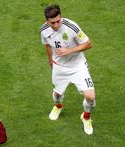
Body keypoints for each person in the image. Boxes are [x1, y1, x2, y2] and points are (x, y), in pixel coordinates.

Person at [40, 4, 96, 135]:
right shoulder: (43, 30)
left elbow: (89, 44)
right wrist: (50, 62)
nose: (56, 25)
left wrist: (69, 50)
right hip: (59, 67)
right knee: (57, 94)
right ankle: (58, 106)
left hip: (78, 66)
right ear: (47, 21)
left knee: (90, 97)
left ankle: (86, 117)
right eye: (52, 22)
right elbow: (47, 45)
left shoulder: (71, 27)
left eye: (58, 21)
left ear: (61, 16)